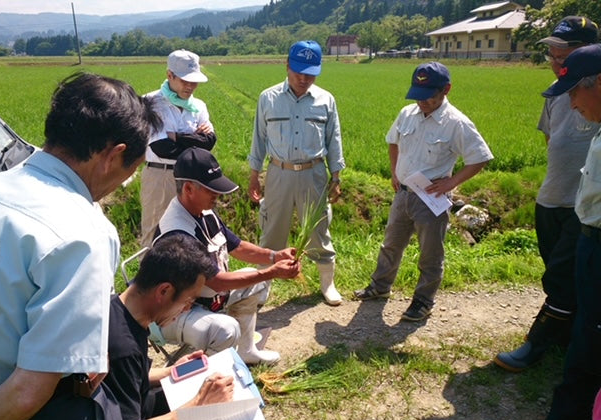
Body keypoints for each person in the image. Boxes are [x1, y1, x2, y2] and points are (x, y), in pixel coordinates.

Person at [0, 72, 160, 420]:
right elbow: (28, 392)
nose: (125, 179)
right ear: (112, 155)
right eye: (132, 168)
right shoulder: (82, 232)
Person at [501, 43, 601, 420]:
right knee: (581, 350)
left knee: (583, 363)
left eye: (574, 91)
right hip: (588, 240)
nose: (571, 102)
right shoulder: (597, 128)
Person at [495, 16, 599, 373]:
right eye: (551, 56)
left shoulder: (594, 89)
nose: (556, 63)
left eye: (563, 56)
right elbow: (551, 143)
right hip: (551, 199)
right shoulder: (557, 95)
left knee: (560, 276)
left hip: (583, 207)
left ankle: (537, 344)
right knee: (561, 275)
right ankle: (569, 336)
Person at [354, 62, 493, 322]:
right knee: (391, 244)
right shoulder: (407, 113)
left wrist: (451, 184)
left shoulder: (457, 123)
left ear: (446, 90)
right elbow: (393, 142)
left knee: (430, 252)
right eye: (418, 95)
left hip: (432, 197)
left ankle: (423, 301)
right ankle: (380, 287)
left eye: (428, 95)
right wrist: (394, 172)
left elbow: (480, 158)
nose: (422, 102)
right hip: (404, 192)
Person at [152, 147, 301, 365]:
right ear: (189, 189)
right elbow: (218, 282)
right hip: (171, 314)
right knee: (224, 330)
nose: (218, 195)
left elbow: (237, 246)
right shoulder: (178, 233)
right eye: (211, 189)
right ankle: (206, 380)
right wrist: (273, 272)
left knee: (256, 281)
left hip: (205, 299)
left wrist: (275, 257)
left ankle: (246, 352)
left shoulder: (203, 212)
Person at [105, 234, 234, 420]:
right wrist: (197, 407)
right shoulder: (124, 347)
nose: (187, 308)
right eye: (189, 301)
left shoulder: (118, 309)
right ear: (164, 291)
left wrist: (169, 372)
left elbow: (120, 381)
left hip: (129, 411)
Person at [247, 40, 345, 306]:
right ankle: (261, 289)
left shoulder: (326, 100)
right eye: (298, 71)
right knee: (271, 232)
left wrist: (336, 177)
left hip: (314, 174)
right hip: (279, 172)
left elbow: (333, 140)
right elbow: (259, 138)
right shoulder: (268, 98)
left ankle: (327, 284)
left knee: (318, 231)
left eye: (310, 73)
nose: (304, 78)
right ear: (287, 65)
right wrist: (254, 174)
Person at [141, 49, 216, 247]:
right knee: (154, 232)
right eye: (185, 80)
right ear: (169, 75)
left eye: (194, 81)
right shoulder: (151, 103)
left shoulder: (198, 106)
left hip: (191, 179)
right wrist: (194, 140)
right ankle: (150, 277)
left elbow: (209, 142)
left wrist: (177, 137)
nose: (190, 86)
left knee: (193, 231)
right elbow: (161, 147)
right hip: (161, 176)